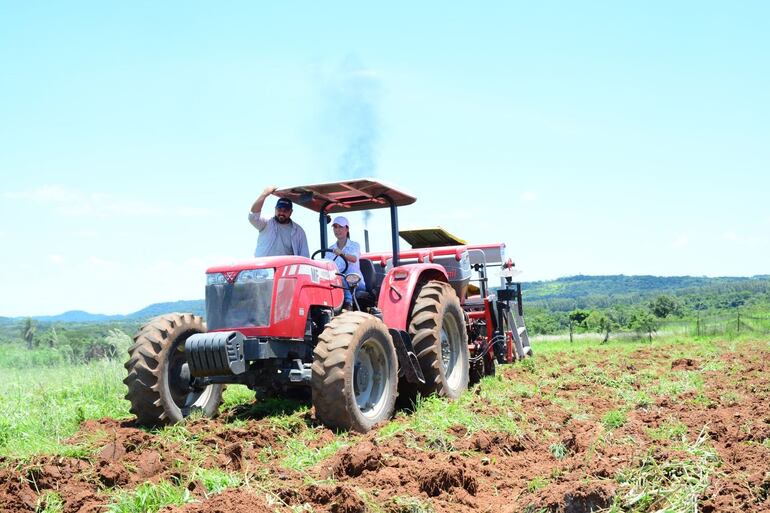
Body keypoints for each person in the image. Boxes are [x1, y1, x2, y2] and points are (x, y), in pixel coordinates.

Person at [249, 186, 309, 258]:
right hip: (262, 268)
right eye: (279, 209)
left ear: (291, 212)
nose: (281, 213)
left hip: (286, 268)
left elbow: (305, 257)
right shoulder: (266, 222)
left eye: (285, 210)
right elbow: (252, 217)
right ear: (275, 209)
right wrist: (264, 194)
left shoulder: (299, 232)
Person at [325, 216, 366, 309]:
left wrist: (342, 253)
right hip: (337, 283)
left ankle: (348, 303)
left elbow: (354, 258)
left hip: (355, 281)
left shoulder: (354, 245)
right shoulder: (330, 249)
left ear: (347, 229)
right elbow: (326, 264)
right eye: (335, 227)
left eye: (340, 227)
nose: (337, 230)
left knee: (340, 276)